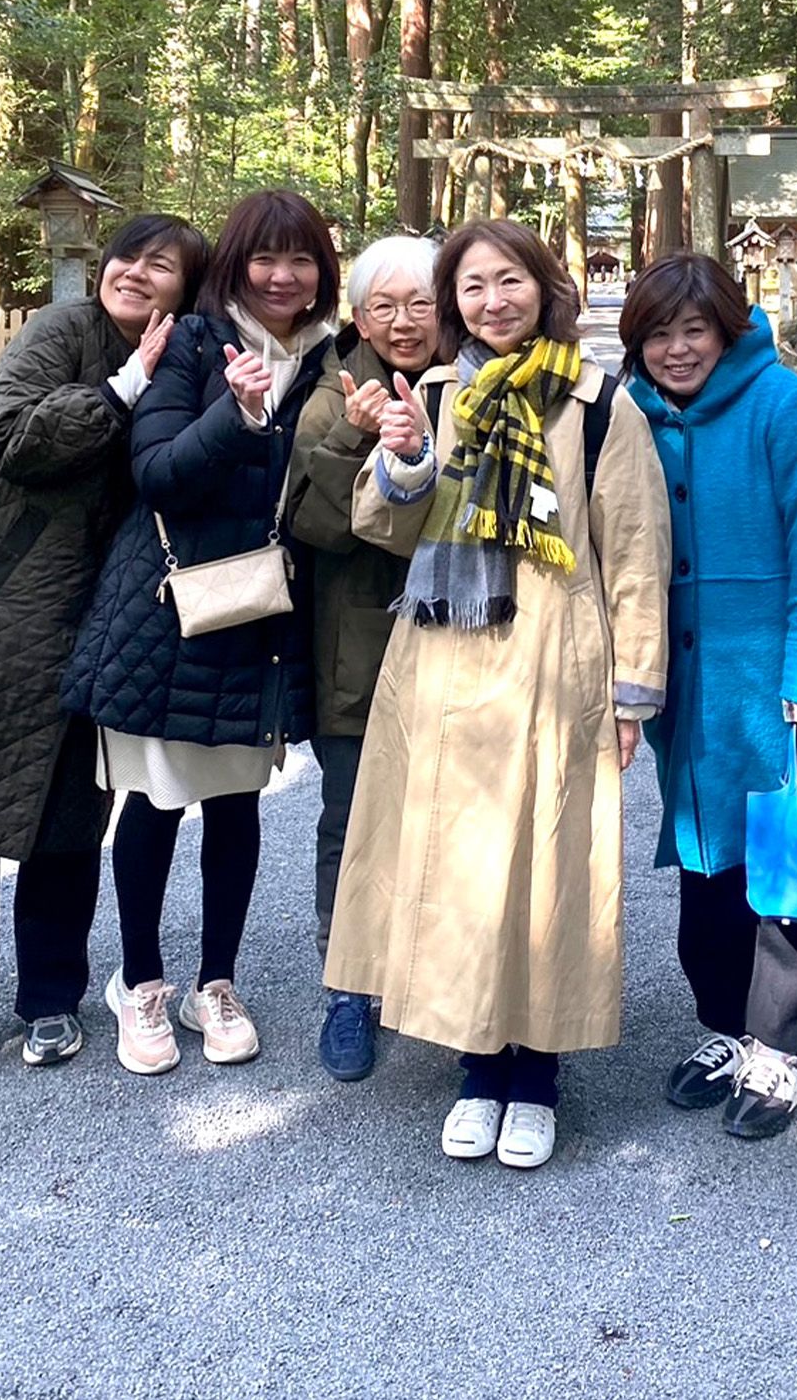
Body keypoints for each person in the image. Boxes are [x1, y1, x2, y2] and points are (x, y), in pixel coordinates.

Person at [324, 218, 669, 1170]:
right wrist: (404, 458)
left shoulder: (599, 403)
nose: (492, 301)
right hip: (443, 661)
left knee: (546, 864)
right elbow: (383, 527)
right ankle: (477, 1068)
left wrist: (632, 694)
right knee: (460, 868)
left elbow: (636, 553)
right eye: (472, 286)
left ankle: (538, 1075)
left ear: (544, 287)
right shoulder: (436, 394)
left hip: (554, 661)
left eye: (509, 280)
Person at [64, 190, 338, 1075]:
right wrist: (237, 413)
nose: (282, 276)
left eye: (300, 259)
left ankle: (215, 982)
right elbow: (158, 473)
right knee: (154, 800)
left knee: (234, 802)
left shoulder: (330, 358)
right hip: (168, 613)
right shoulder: (191, 342)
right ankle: (140, 981)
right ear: (234, 263)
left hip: (259, 617)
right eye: (265, 257)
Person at [0, 214, 208, 1072]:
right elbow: (13, 438)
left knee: (69, 813)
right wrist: (122, 390)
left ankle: (52, 997)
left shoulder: (182, 355)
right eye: (130, 256)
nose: (137, 272)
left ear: (186, 290)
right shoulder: (62, 329)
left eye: (163, 266)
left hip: (96, 613)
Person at [619, 253, 797, 1142]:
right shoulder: (633, 412)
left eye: (695, 331)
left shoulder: (783, 405)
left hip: (779, 680)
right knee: (706, 862)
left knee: (790, 861)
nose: (677, 350)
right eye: (658, 334)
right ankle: (724, 1023)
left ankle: (783, 1048)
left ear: (727, 330)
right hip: (691, 685)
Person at [286, 233, 439, 1083]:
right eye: (385, 306)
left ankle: (443, 978)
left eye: (421, 303)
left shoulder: (474, 381)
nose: (404, 321)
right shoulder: (333, 392)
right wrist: (355, 436)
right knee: (351, 821)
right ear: (359, 317)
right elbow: (311, 525)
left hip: (463, 637)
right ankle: (350, 986)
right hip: (358, 642)